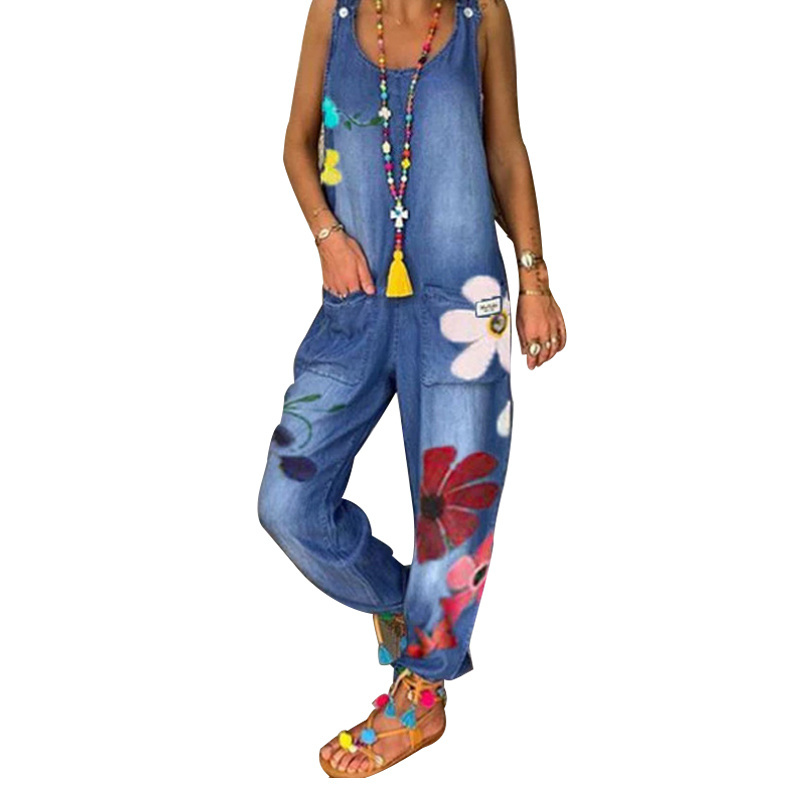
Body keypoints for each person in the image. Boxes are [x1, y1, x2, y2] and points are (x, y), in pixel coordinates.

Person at [257, 0, 566, 777]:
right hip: (355, 306)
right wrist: (327, 235)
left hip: (464, 307)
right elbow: (295, 143)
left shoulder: (479, 15)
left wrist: (534, 278)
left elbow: (504, 151)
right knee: (289, 501)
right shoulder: (333, 14)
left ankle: (421, 691)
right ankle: (405, 607)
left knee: (452, 512)